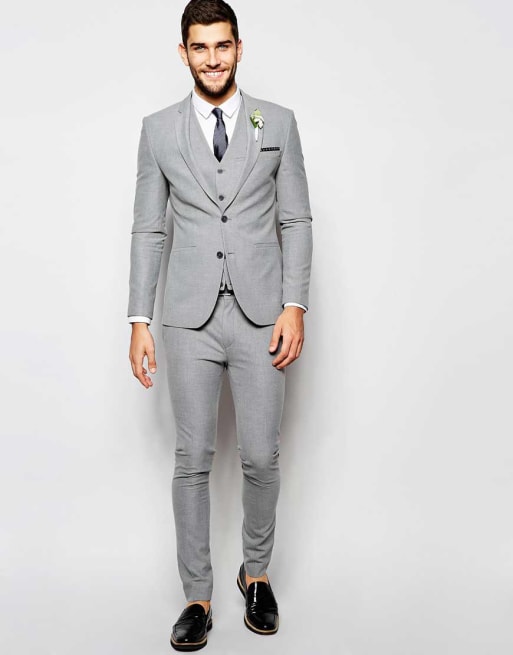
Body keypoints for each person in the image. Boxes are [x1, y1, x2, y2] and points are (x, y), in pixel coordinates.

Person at [127, 0, 313, 650]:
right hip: (187, 318)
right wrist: (140, 318)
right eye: (200, 47)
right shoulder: (158, 130)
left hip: (263, 315)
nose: (212, 58)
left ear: (238, 47)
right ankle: (197, 597)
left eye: (222, 45)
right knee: (192, 457)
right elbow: (149, 228)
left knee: (261, 455)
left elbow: (295, 218)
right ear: (184, 52)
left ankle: (255, 575)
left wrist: (295, 304)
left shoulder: (277, 122)